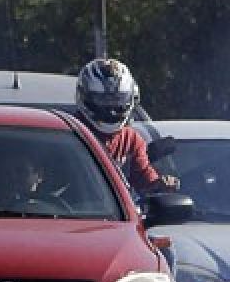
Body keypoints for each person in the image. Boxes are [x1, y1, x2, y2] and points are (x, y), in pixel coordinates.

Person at [75, 58, 177, 196]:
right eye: (102, 100)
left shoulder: (131, 139)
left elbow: (143, 176)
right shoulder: (70, 133)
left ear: (131, 99)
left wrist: (159, 185)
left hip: (117, 215)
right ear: (85, 97)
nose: (111, 110)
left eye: (117, 100)